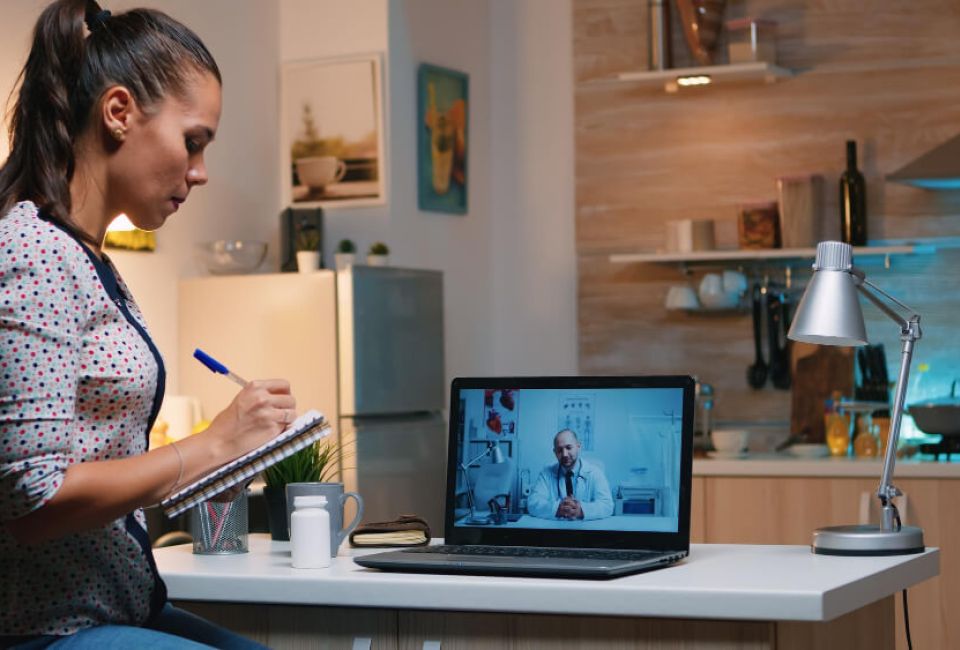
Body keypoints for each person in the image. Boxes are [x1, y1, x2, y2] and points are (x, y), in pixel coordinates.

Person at [0, 2, 294, 647]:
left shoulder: (86, 256)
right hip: (49, 629)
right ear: (118, 112)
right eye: (192, 141)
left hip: (117, 606)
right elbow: (35, 500)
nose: (201, 171)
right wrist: (212, 443)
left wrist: (232, 453)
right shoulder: (33, 252)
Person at [527, 429, 614, 521]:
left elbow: (607, 506)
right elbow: (533, 503)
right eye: (560, 450)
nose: (564, 454)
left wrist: (581, 510)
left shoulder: (595, 473)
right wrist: (557, 509)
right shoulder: (546, 473)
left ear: (578, 446)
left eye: (568, 448)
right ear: (554, 452)